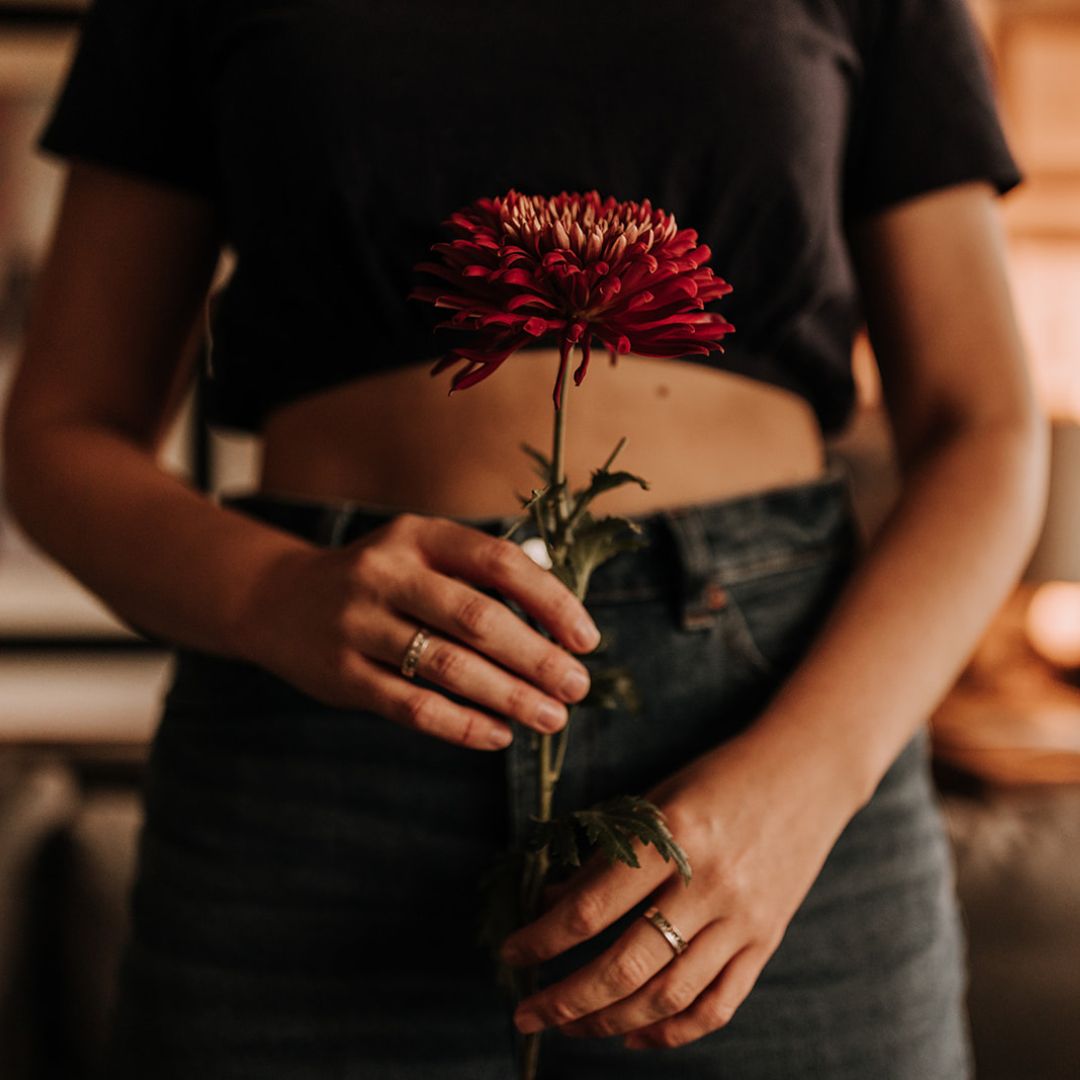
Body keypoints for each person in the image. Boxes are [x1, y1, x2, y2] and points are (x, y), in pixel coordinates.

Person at [2, 0, 1046, 1077]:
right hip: (311, 761)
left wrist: (806, 783)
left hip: (782, 732)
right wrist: (274, 592)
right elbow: (59, 433)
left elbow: (987, 430)